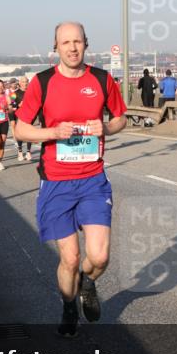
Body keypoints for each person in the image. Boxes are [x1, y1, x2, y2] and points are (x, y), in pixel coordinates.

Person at [13, 21, 127, 337]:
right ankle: (67, 305)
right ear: (56, 47)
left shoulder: (102, 80)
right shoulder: (42, 82)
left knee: (99, 256)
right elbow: (20, 129)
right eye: (66, 42)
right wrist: (52, 132)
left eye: (77, 41)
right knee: (71, 258)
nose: (72, 48)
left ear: (86, 44)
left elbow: (120, 118)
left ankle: (87, 283)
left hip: (92, 179)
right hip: (56, 181)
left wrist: (106, 128)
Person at [9, 77, 33, 161]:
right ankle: (20, 151)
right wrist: (18, 105)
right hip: (19, 115)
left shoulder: (32, 92)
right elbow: (11, 104)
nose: (25, 83)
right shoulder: (14, 93)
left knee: (29, 133)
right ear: (19, 83)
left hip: (29, 115)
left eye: (26, 82)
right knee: (20, 134)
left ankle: (28, 152)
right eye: (23, 82)